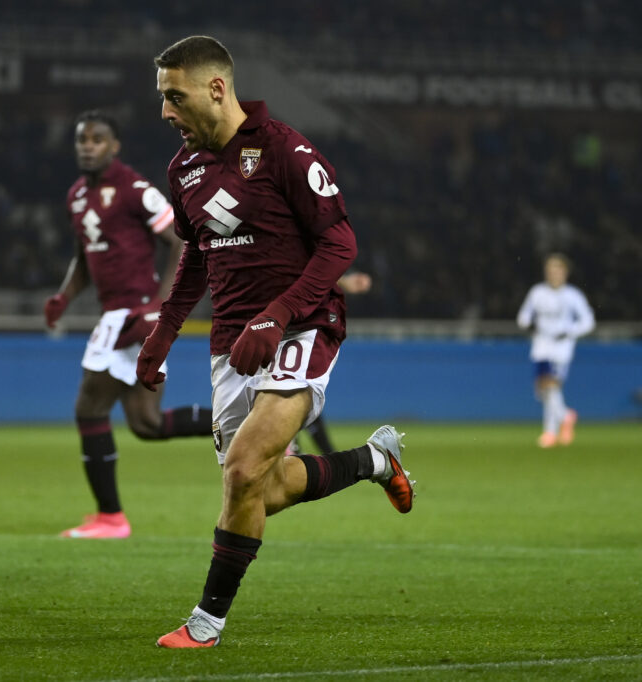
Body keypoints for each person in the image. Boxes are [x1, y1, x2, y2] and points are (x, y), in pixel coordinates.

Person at [137, 36, 415, 647]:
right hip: (232, 346)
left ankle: (205, 625)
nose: (165, 112)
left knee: (240, 473)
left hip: (303, 325)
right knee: (267, 484)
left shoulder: (284, 149)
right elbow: (196, 256)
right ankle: (374, 461)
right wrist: (163, 331)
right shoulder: (182, 170)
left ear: (216, 88)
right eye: (162, 98)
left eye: (173, 96)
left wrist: (278, 313)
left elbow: (340, 244)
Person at [45, 109, 213, 539]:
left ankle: (110, 518)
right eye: (82, 139)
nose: (88, 146)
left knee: (89, 407)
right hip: (118, 313)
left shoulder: (135, 189)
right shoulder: (77, 196)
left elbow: (179, 240)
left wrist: (160, 305)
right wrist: (64, 297)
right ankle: (250, 427)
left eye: (97, 139)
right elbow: (86, 257)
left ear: (114, 146)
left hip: (135, 312)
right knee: (146, 424)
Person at [289, 271, 372, 456]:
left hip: (292, 322)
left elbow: (307, 268)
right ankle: (327, 458)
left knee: (299, 393)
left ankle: (303, 453)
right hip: (268, 322)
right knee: (292, 393)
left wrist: (342, 281)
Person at [516, 252, 594, 447]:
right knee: (544, 391)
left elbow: (588, 321)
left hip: (561, 348)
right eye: (550, 269)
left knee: (551, 386)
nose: (554, 273)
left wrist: (569, 332)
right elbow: (523, 315)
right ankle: (564, 417)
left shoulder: (573, 295)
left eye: (558, 269)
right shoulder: (537, 292)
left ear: (565, 272)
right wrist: (528, 325)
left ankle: (551, 431)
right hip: (541, 346)